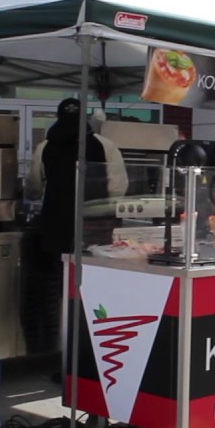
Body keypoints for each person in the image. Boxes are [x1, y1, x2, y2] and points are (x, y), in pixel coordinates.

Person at [22, 98, 127, 352]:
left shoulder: (45, 146)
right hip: (95, 230)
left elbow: (33, 187)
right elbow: (118, 187)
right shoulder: (105, 146)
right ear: (85, 120)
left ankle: (61, 350)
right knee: (93, 287)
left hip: (55, 228)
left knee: (60, 289)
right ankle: (92, 346)